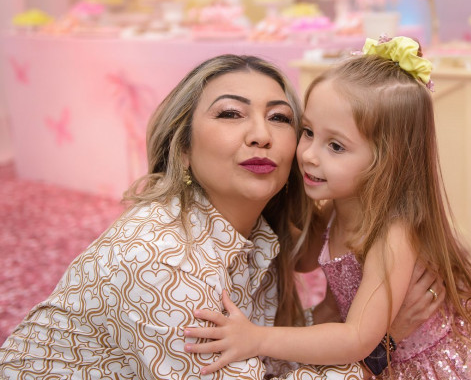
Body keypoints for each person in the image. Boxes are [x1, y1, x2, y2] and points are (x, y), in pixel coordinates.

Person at [0, 54, 443, 379]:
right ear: (183, 147)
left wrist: (330, 313)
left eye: (280, 118)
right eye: (231, 113)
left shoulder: (259, 235)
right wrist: (379, 350)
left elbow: (259, 353)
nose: (261, 135)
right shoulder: (162, 262)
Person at [182, 38, 471, 379]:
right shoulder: (336, 207)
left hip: (428, 363)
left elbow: (357, 337)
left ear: (386, 160)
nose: (308, 155)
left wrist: (257, 339)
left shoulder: (392, 233)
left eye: (335, 146)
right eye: (308, 132)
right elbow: (317, 279)